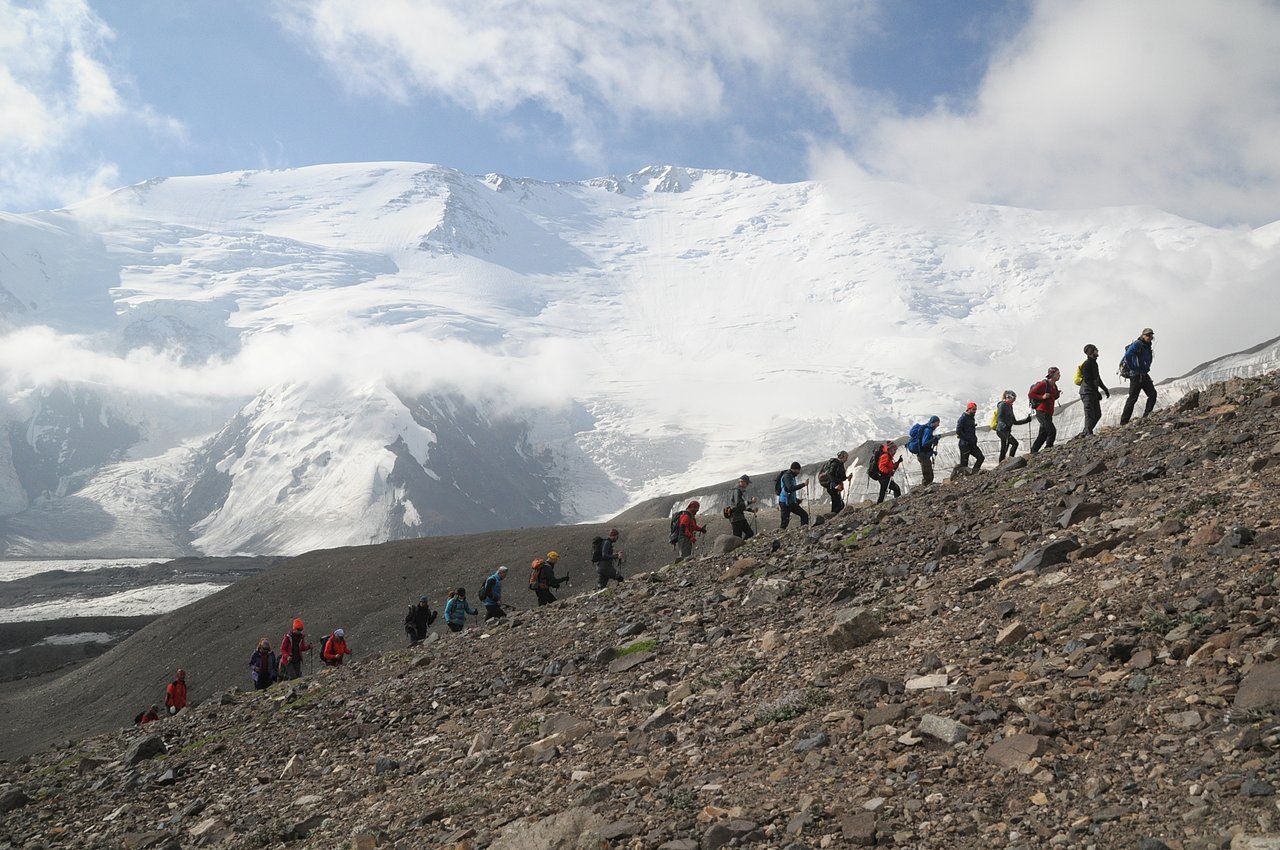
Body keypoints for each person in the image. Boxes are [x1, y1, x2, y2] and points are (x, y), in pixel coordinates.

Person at [1119, 328, 1157, 424]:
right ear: (1143, 335)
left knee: (1152, 394)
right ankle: (1124, 422)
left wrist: (1146, 368)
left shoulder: (1147, 346)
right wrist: (1133, 368)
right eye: (1148, 335)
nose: (1149, 337)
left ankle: (1146, 415)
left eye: (1151, 335)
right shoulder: (1137, 344)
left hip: (1143, 374)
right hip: (1136, 376)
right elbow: (1128, 355)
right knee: (1133, 398)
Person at [1078, 344, 1111, 436]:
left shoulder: (1094, 363)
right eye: (1096, 349)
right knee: (1089, 413)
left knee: (1097, 414)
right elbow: (1088, 380)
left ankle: (1086, 432)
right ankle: (1088, 433)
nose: (1097, 351)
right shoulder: (1087, 364)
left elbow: (1097, 378)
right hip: (1087, 392)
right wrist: (1097, 392)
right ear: (1091, 352)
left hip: (1092, 392)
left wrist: (1104, 389)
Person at [1028, 367, 1062, 453]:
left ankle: (1034, 451)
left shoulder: (1054, 385)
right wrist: (1042, 397)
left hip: (1048, 412)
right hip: (1042, 411)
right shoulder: (1044, 384)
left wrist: (1057, 394)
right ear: (1052, 374)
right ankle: (1048, 450)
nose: (1059, 375)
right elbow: (1031, 394)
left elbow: (1052, 397)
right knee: (1051, 431)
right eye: (1058, 373)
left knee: (1043, 434)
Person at [909, 416, 941, 485]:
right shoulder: (928, 430)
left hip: (922, 454)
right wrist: (934, 439)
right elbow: (924, 443)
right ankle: (925, 488)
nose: (938, 425)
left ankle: (926, 488)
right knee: (928, 475)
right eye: (937, 423)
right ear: (934, 422)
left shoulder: (927, 429)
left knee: (928, 474)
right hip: (923, 455)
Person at [777, 463, 810, 529]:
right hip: (785, 503)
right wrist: (803, 484)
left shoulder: (791, 476)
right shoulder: (787, 476)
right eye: (798, 470)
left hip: (790, 502)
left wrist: (796, 500)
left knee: (804, 515)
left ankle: (804, 530)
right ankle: (779, 535)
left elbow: (789, 491)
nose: (799, 472)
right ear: (795, 469)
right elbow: (790, 488)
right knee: (785, 521)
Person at [955, 403, 984, 474]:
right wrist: (967, 438)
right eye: (973, 409)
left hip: (972, 444)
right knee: (964, 464)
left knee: (981, 457)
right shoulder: (963, 418)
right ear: (969, 409)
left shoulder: (971, 418)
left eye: (975, 410)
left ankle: (974, 472)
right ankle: (960, 478)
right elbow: (958, 431)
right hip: (964, 445)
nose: (975, 411)